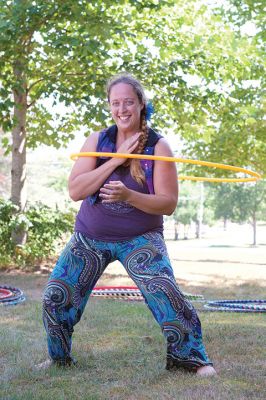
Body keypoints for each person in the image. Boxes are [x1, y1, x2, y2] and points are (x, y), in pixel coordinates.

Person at [40, 73, 216, 376]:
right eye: (115, 103)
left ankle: (192, 359)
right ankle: (59, 359)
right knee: (56, 295)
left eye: (128, 102)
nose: (122, 109)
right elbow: (75, 191)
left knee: (165, 292)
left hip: (140, 237)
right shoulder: (98, 140)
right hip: (91, 235)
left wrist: (129, 195)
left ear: (140, 104)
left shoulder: (159, 146)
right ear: (110, 106)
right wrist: (115, 160)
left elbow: (168, 203)